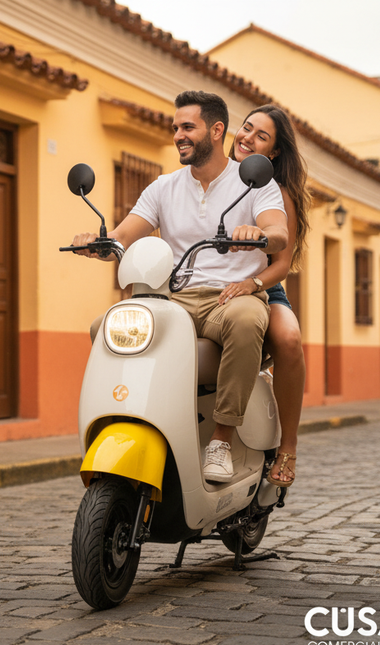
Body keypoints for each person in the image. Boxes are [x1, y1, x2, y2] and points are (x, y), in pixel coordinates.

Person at [70, 90, 288, 483]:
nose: (178, 136)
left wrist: (258, 234)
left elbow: (278, 233)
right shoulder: (163, 187)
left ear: (216, 131)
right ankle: (133, 419)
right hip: (174, 299)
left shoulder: (254, 184)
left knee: (246, 322)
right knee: (105, 328)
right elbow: (122, 237)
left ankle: (221, 439)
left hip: (231, 296)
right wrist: (97, 243)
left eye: (188, 127)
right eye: (175, 128)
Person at [219, 104, 310, 487]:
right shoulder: (210, 178)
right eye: (246, 128)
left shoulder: (278, 193)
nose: (247, 138)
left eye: (261, 136)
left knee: (288, 339)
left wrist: (252, 284)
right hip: (209, 286)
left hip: (263, 286)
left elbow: (282, 264)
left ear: (274, 152)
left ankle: (288, 444)